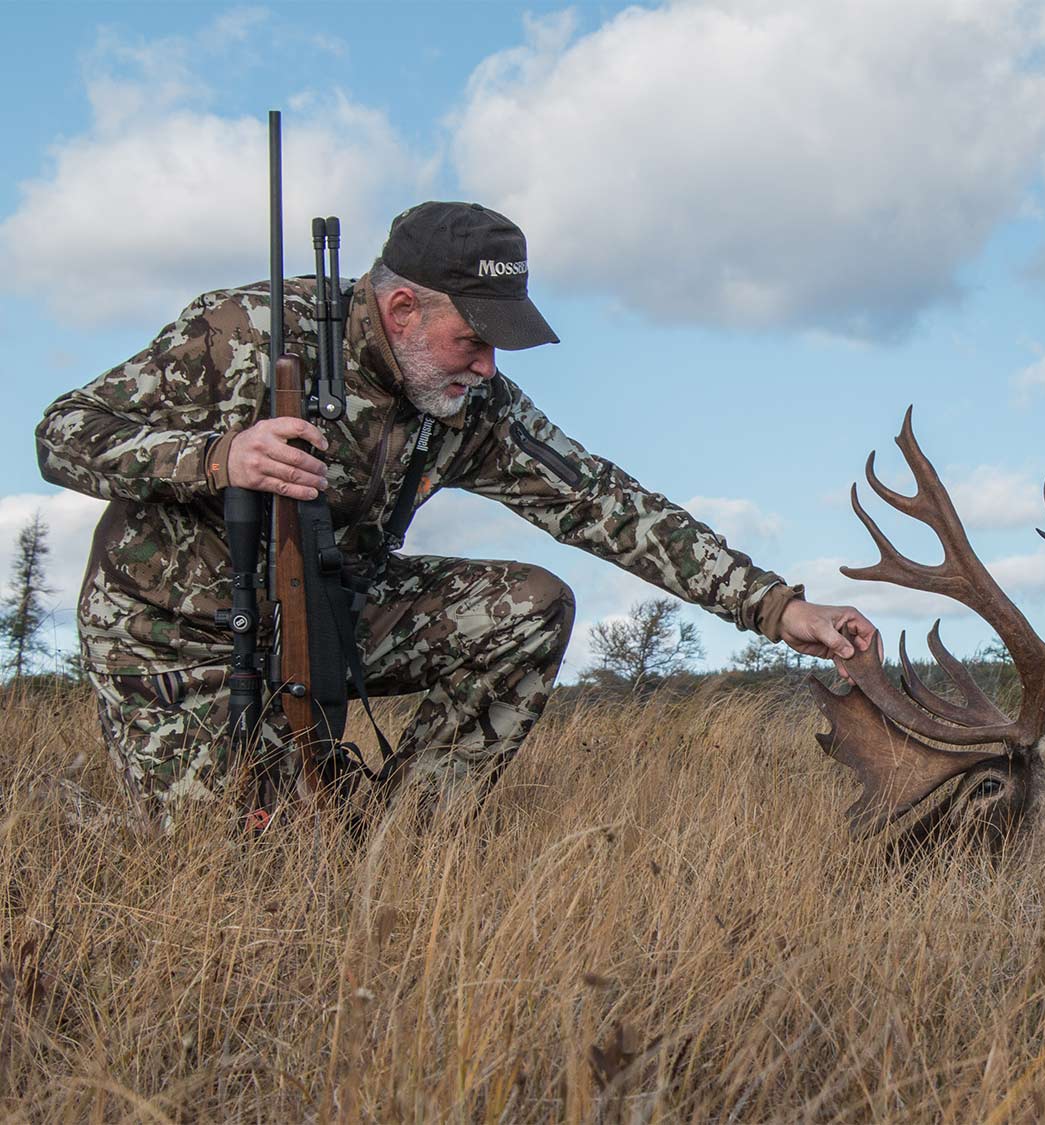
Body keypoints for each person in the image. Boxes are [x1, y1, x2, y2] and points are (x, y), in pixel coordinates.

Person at [36, 201, 876, 825]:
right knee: (230, 861)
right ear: (403, 309)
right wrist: (217, 458)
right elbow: (64, 432)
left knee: (532, 607)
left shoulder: (473, 404)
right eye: (473, 339)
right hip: (172, 637)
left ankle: (400, 845)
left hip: (328, 616)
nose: (488, 366)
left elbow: (605, 504)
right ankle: (84, 814)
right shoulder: (241, 333)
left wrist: (778, 608)